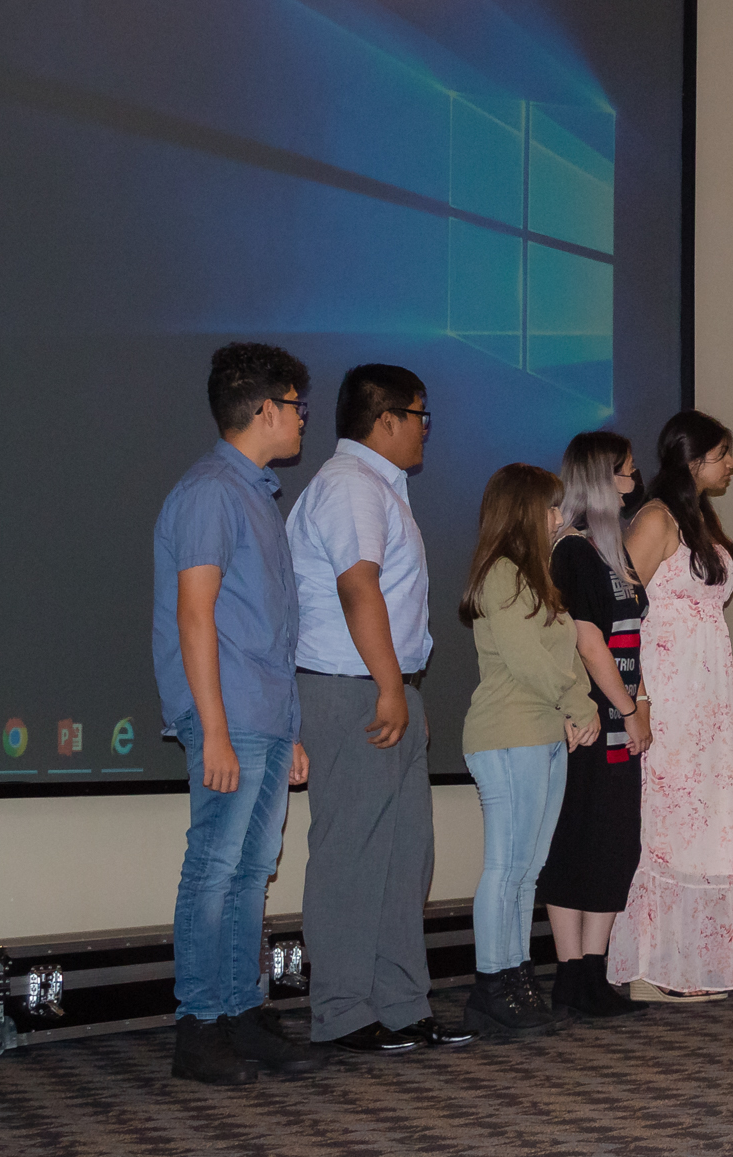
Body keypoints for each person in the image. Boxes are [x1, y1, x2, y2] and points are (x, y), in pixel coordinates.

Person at [153, 343, 326, 1085]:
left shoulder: (255, 493)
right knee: (215, 867)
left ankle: (239, 1013)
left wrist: (287, 728)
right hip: (226, 715)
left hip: (264, 714)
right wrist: (215, 727)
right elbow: (197, 617)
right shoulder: (209, 493)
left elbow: (266, 625)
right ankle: (199, 1027)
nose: (302, 420)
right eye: (296, 406)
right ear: (265, 410)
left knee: (252, 869)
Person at [288, 364, 467, 1053]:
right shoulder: (350, 486)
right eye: (422, 415)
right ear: (386, 419)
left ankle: (400, 1004)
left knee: (403, 854)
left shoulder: (379, 489)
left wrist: (404, 689)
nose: (426, 429)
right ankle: (341, 1012)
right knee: (352, 853)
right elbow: (358, 587)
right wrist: (391, 685)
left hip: (383, 686)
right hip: (350, 687)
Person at [607, 411, 733, 1002]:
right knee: (667, 822)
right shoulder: (658, 518)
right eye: (722, 454)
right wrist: (635, 693)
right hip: (668, 690)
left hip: (708, 696)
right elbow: (621, 600)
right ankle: (647, 967)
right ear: (692, 461)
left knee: (705, 823)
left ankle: (686, 964)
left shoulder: (699, 518)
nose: (731, 465)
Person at [457, 464, 602, 1037]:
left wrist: (576, 702)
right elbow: (532, 663)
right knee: (506, 867)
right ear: (522, 511)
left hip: (543, 733)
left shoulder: (536, 575)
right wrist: (581, 705)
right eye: (549, 508)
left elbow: (566, 658)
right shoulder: (500, 574)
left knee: (528, 870)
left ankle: (517, 978)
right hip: (507, 733)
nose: (557, 518)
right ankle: (491, 985)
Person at [538, 432, 651, 1019]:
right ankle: (569, 975)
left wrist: (639, 702)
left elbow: (631, 639)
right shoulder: (572, 551)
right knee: (577, 839)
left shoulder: (613, 551)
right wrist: (627, 710)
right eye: (627, 474)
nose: (634, 484)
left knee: (614, 841)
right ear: (602, 480)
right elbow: (587, 640)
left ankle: (594, 973)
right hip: (589, 722)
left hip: (622, 715)